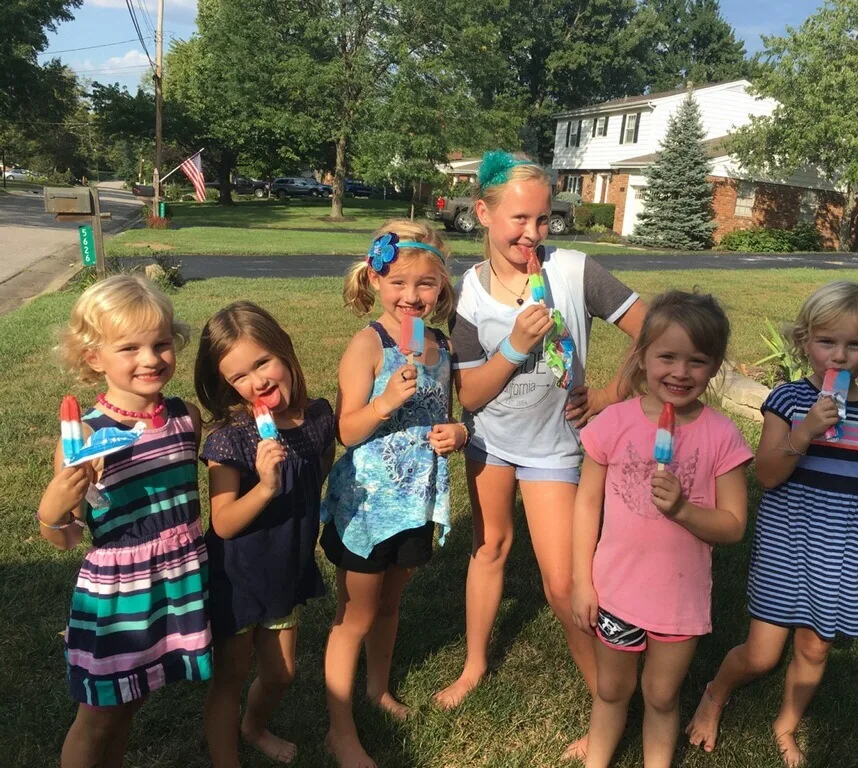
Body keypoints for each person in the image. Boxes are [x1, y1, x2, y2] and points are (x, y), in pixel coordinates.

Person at [435, 150, 646, 759]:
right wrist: (517, 345)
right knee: (489, 548)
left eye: (543, 219)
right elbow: (470, 392)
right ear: (482, 213)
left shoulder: (576, 271)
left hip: (554, 448)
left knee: (561, 583)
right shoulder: (468, 294)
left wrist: (606, 394)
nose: (532, 233)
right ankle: (475, 665)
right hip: (489, 442)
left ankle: (607, 694)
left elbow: (658, 330)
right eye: (518, 219)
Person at [686, 281, 858, 767]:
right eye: (827, 342)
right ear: (804, 341)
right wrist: (807, 429)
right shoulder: (785, 400)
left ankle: (785, 725)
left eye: (855, 345)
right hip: (788, 545)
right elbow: (767, 474)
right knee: (762, 655)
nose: (839, 356)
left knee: (815, 648)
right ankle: (716, 691)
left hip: (846, 550)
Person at [37, 275, 212, 768]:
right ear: (94, 358)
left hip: (177, 580)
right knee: (97, 716)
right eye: (129, 348)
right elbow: (67, 536)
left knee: (130, 702)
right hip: (120, 593)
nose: (150, 359)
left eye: (160, 344)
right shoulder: (85, 438)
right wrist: (52, 510)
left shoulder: (185, 418)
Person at [571, 290, 752, 767]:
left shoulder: (722, 435)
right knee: (611, 690)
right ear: (641, 356)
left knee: (660, 695)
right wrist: (582, 580)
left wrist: (685, 511)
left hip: (679, 599)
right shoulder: (614, 422)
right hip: (615, 590)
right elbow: (586, 501)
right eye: (666, 356)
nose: (679, 372)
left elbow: (733, 526)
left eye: (696, 361)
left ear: (714, 367)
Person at [321, 220, 464, 768]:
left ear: (441, 287)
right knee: (355, 615)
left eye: (425, 284)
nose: (411, 296)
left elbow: (441, 416)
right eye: (398, 282)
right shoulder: (369, 344)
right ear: (375, 281)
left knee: (390, 605)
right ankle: (340, 728)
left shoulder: (441, 346)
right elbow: (347, 429)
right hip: (367, 506)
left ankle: (377, 690)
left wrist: (458, 433)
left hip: (414, 502)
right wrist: (384, 403)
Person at [194, 302, 335, 766]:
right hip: (237, 577)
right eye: (238, 377)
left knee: (281, 673)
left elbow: (318, 475)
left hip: (285, 567)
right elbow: (224, 522)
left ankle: (253, 727)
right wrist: (267, 487)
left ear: (284, 350)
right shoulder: (230, 437)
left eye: (262, 362)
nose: (256, 381)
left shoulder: (317, 418)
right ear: (225, 385)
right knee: (231, 678)